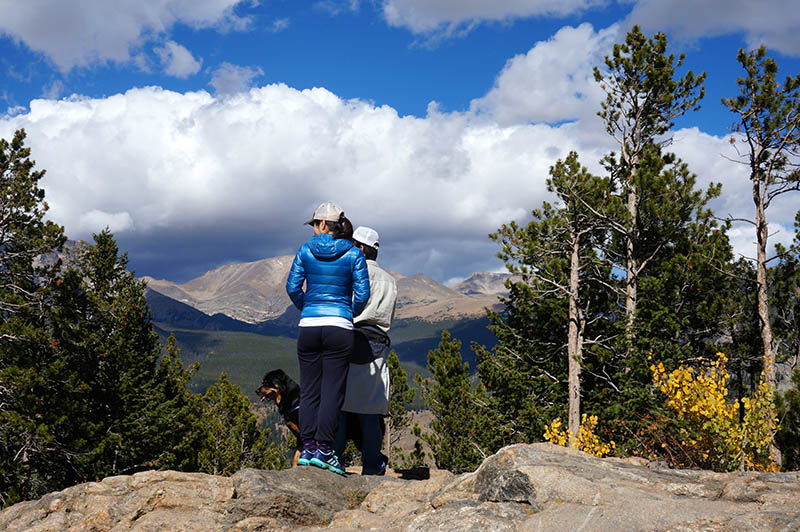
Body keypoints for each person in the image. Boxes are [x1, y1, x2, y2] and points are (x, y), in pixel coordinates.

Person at [285, 202, 370, 475]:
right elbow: (363, 294)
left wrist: (307, 306)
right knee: (332, 391)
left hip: (309, 325)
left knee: (309, 390)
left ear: (322, 224)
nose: (312, 229)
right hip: (340, 326)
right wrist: (347, 312)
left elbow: (292, 287)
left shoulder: (305, 250)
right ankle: (324, 450)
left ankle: (307, 449)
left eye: (313, 224)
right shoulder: (354, 254)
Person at [335, 226, 397, 475]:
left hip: (349, 338)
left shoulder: (350, 273)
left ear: (359, 248)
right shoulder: (390, 281)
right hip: (377, 344)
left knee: (340, 403)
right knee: (371, 408)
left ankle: (335, 462)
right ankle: (371, 465)